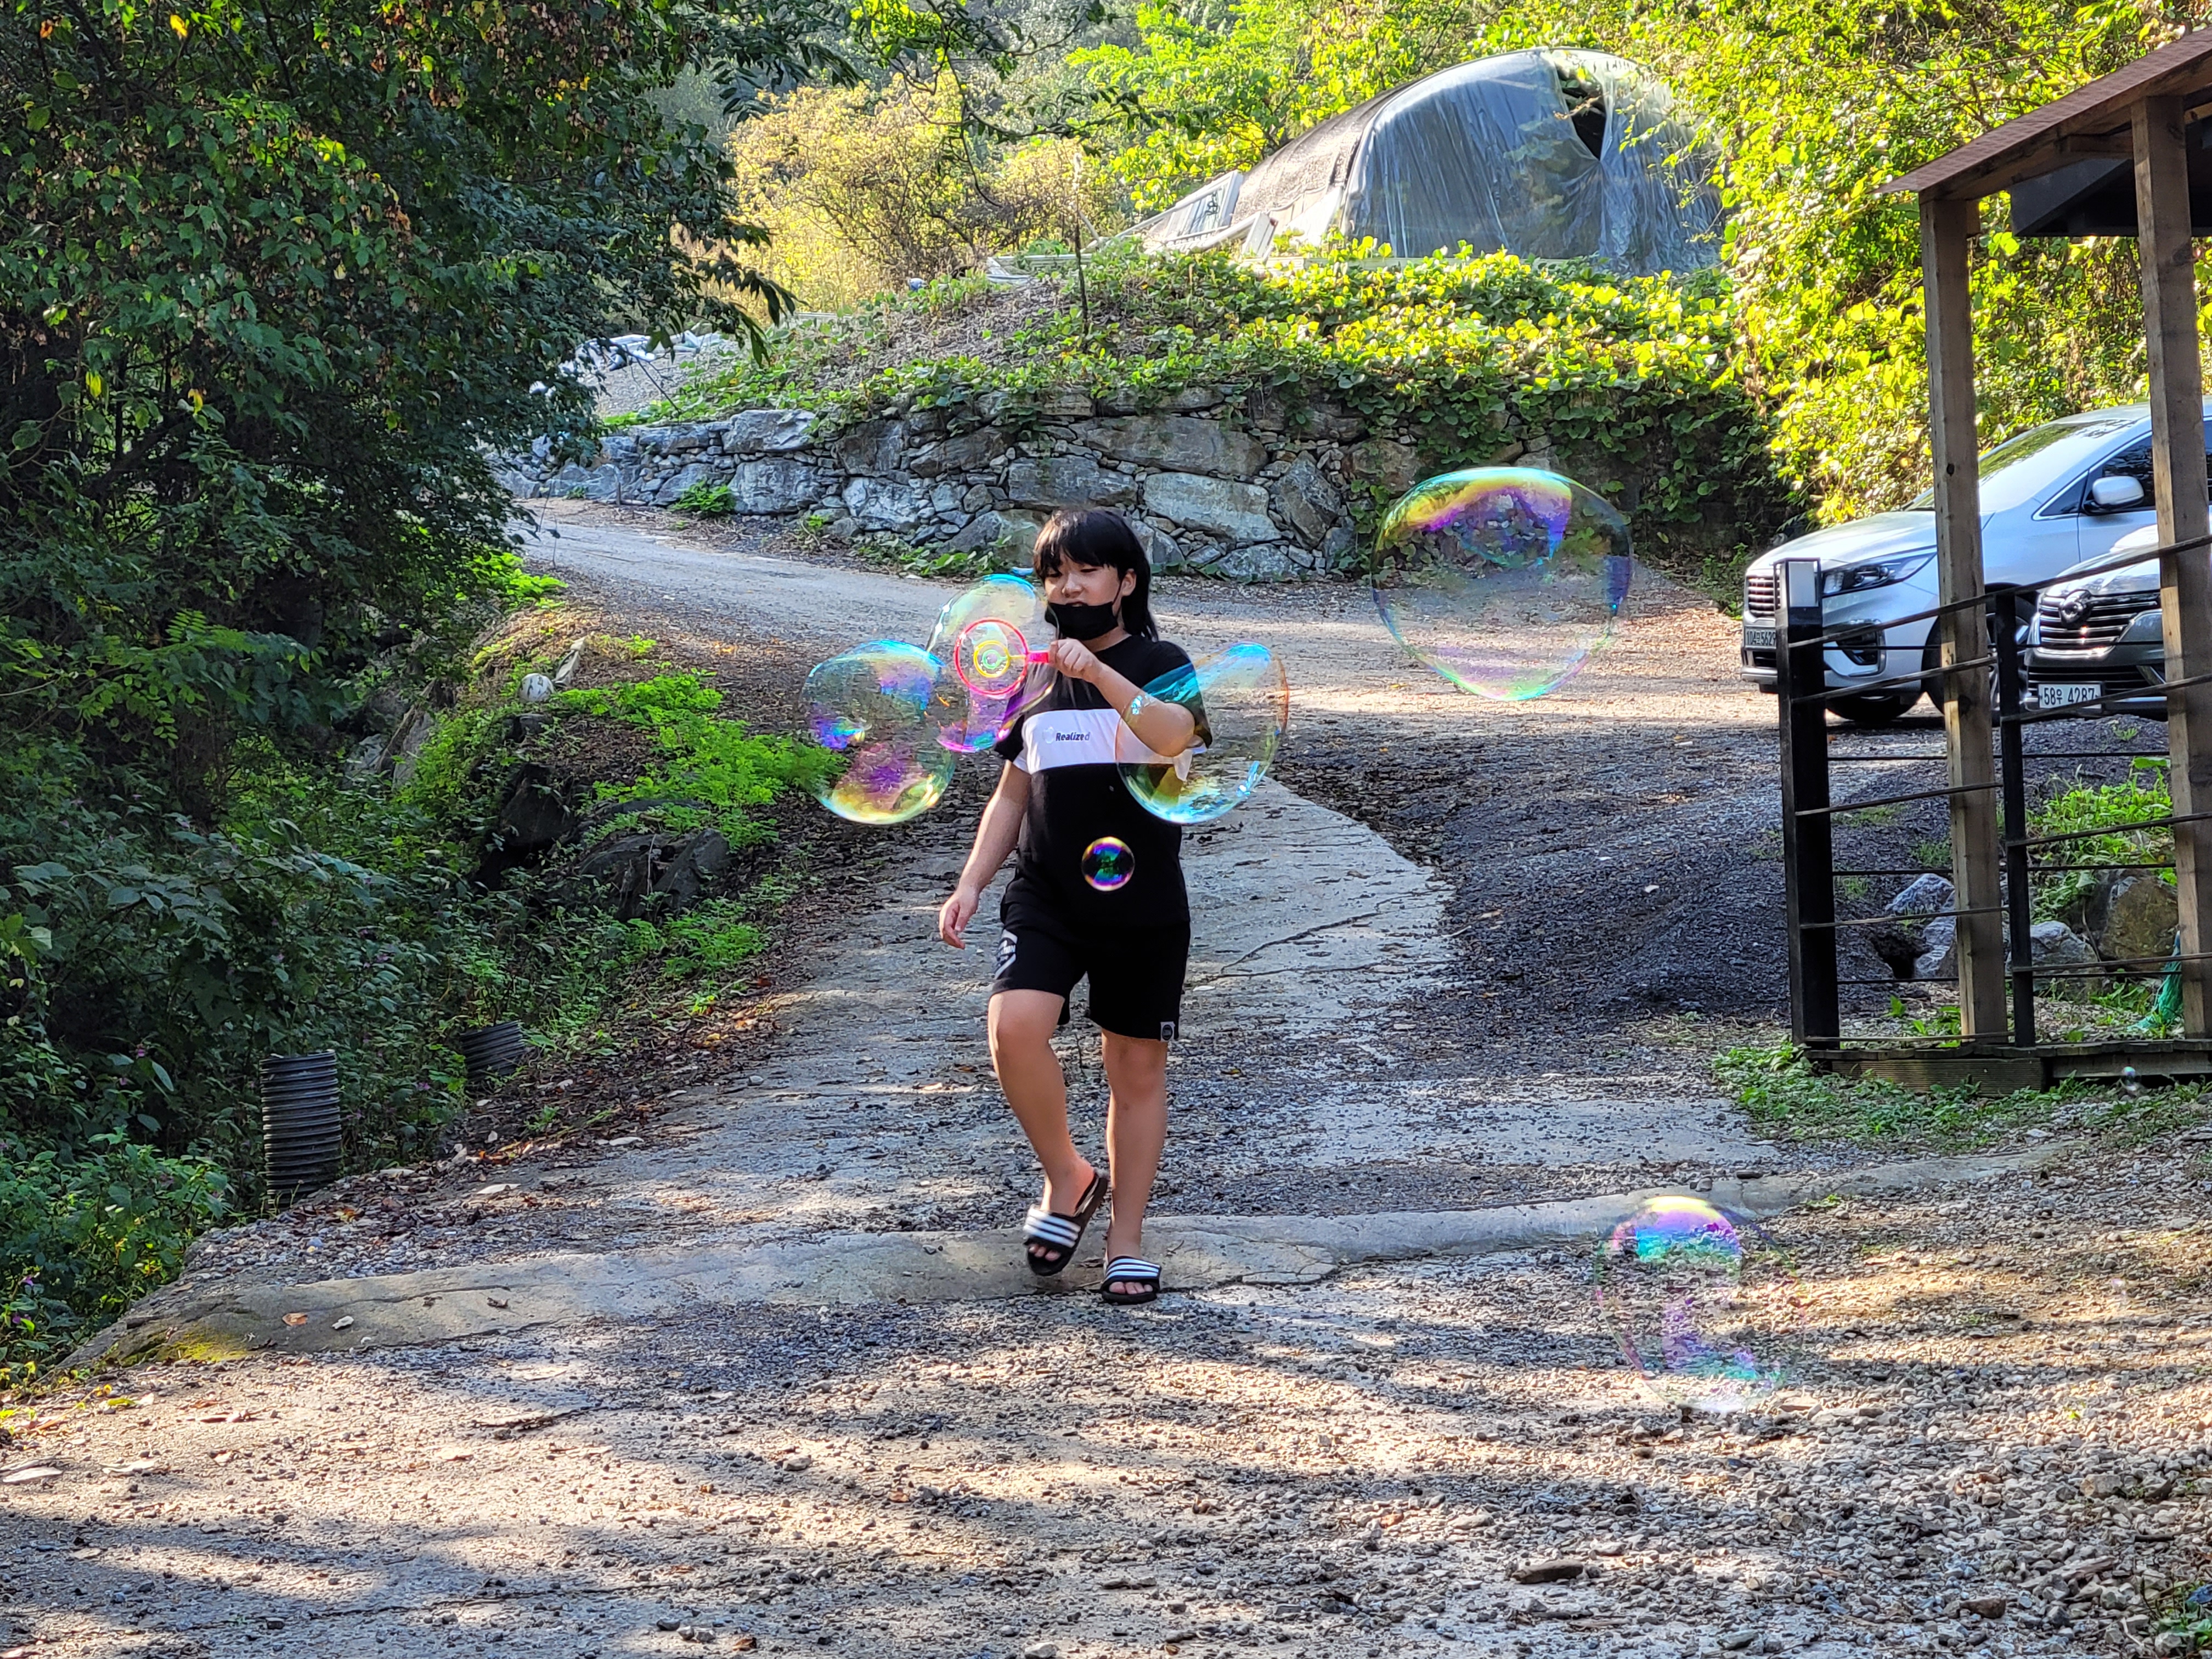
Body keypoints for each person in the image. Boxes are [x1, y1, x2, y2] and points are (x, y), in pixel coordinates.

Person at [936, 508, 1201, 1306]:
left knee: (1134, 1068)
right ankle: (1069, 1177)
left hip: (1142, 900)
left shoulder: (1161, 661)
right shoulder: (1035, 679)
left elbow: (1175, 738)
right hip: (1047, 892)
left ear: (1126, 581)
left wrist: (1101, 674)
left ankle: (1126, 1241)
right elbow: (1013, 792)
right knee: (1014, 1027)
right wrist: (972, 881)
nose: (1070, 586)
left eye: (1087, 571)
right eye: (1056, 574)